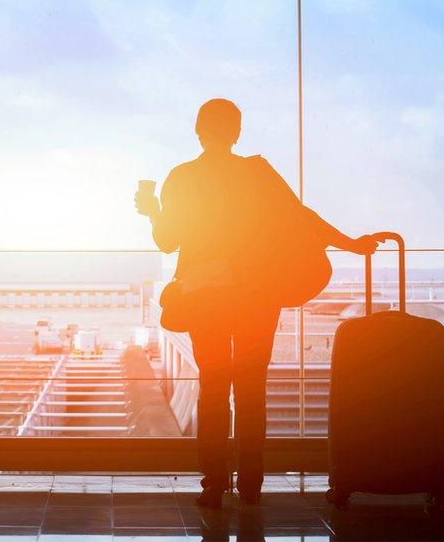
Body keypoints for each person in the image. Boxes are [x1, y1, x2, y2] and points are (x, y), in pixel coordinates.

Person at [134, 98, 378, 508]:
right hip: (257, 296)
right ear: (237, 132)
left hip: (207, 296)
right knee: (251, 390)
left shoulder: (183, 177)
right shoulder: (258, 172)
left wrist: (152, 210)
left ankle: (213, 484)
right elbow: (302, 216)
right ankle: (250, 483)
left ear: (198, 130)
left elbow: (167, 241)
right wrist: (350, 244)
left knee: (213, 388)